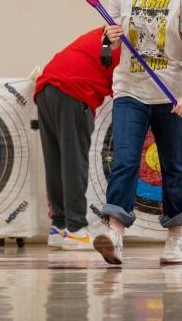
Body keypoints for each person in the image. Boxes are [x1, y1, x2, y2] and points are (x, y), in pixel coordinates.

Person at [94, 0, 182, 265]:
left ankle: (175, 238)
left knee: (173, 167)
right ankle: (115, 233)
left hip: (171, 95)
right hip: (130, 92)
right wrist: (108, 38)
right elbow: (107, 49)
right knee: (124, 159)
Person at [35, 27, 119, 250]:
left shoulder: (106, 31)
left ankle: (59, 227)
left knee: (55, 160)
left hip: (46, 87)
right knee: (74, 161)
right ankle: (76, 231)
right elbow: (126, 89)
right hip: (73, 91)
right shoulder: (127, 43)